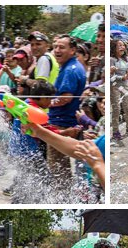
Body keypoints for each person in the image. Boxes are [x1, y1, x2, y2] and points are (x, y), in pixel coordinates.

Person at [46, 35, 87, 187]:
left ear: (72, 50)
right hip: (63, 123)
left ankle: (61, 196)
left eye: (62, 47)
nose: (57, 50)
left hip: (62, 125)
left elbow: (66, 98)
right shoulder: (70, 66)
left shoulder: (71, 69)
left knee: (58, 168)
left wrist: (45, 104)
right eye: (55, 46)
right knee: (61, 168)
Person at [110, 39, 128, 143]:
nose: (122, 47)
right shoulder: (112, 60)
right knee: (116, 109)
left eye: (123, 45)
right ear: (114, 48)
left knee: (127, 107)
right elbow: (110, 77)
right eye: (119, 45)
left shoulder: (127, 59)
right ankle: (116, 132)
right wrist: (122, 78)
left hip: (125, 86)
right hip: (115, 87)